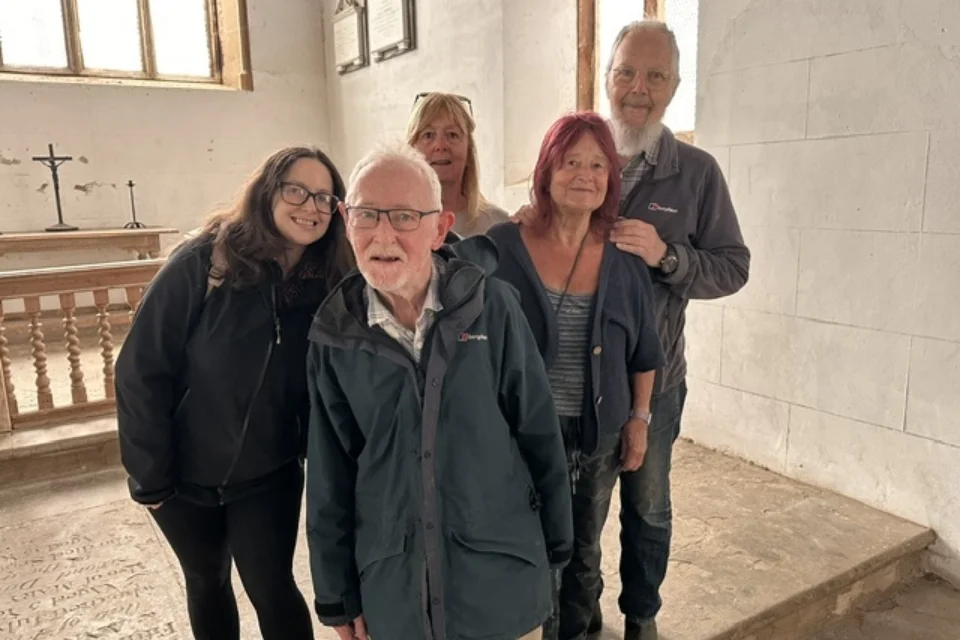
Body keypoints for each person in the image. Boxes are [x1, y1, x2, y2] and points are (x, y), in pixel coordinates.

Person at [513, 21, 750, 640]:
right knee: (579, 515)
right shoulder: (578, 154)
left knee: (647, 508)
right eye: (625, 72)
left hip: (654, 382)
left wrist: (668, 257)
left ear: (674, 84)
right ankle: (582, 617)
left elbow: (733, 267)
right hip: (573, 387)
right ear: (607, 76)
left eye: (654, 75)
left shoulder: (696, 173)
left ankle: (641, 615)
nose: (637, 88)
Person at [305, 142, 574, 640]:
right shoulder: (334, 335)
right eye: (367, 215)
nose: (383, 234)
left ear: (440, 228)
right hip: (395, 592)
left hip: (499, 582)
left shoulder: (493, 309)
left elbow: (538, 431)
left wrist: (556, 548)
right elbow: (329, 476)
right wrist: (337, 597)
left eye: (405, 216)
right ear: (346, 221)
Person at [115, 146, 354, 640]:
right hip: (182, 478)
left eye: (326, 198)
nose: (311, 207)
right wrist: (151, 478)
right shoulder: (206, 261)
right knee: (206, 581)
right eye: (297, 190)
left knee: (271, 587)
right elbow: (141, 369)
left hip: (269, 476)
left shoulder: (330, 281)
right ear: (268, 190)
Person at [487, 112, 664, 640]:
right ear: (546, 170)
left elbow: (645, 351)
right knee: (528, 546)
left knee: (583, 549)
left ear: (611, 178)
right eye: (570, 162)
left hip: (596, 433)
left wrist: (638, 419)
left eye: (597, 165)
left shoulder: (624, 257)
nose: (584, 174)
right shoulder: (503, 245)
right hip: (519, 434)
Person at [407, 91, 509, 236]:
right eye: (428, 135)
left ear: (469, 150)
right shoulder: (393, 223)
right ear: (411, 149)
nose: (440, 145)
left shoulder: (498, 226)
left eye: (452, 135)